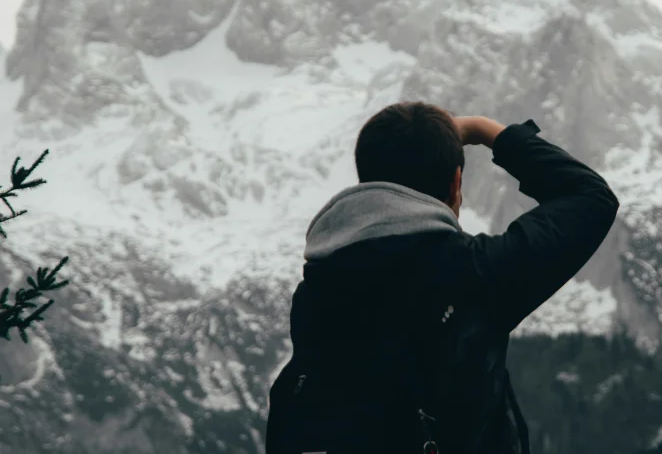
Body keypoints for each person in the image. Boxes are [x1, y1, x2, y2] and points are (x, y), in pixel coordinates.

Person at [264, 102, 619, 454]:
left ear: (366, 183)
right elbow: (590, 197)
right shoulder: (473, 272)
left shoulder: (316, 287)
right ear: (456, 183)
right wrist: (483, 130)